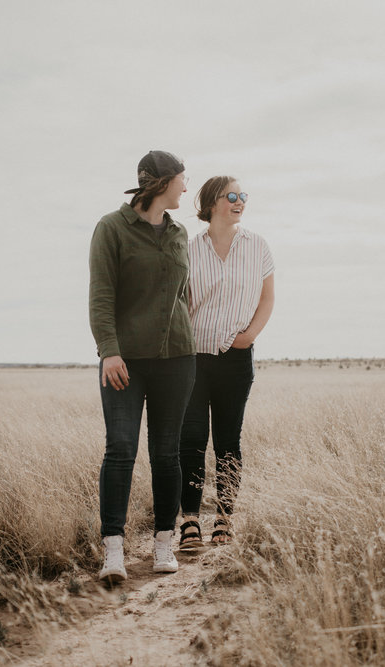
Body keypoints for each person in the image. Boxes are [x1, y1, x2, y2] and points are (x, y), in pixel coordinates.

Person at [88, 150, 196, 583]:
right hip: (125, 361)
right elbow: (101, 295)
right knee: (120, 450)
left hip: (177, 359)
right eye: (182, 180)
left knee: (167, 453)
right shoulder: (111, 228)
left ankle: (164, 543)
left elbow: (183, 294)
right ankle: (113, 551)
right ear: (163, 183)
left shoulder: (180, 233)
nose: (187, 188)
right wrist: (109, 350)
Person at [178, 176, 275, 549]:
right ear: (212, 203)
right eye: (232, 196)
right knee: (191, 441)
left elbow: (267, 299)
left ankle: (224, 518)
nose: (240, 202)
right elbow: (180, 303)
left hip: (236, 359)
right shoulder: (187, 249)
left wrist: (249, 336)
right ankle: (189, 521)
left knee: (228, 442)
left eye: (243, 196)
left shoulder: (258, 247)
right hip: (193, 358)